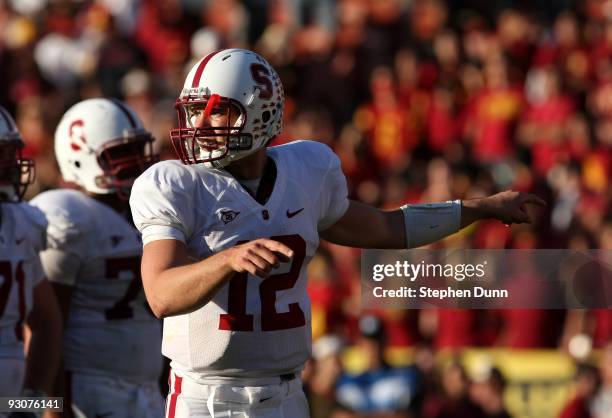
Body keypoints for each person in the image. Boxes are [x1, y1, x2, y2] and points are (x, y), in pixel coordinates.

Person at [129, 48, 546, 418]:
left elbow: (389, 226)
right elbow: (161, 295)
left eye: (217, 110)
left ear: (260, 110)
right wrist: (226, 260)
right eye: (194, 111)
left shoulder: (306, 171)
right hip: (205, 398)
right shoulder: (176, 184)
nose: (200, 124)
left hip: (286, 395)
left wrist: (480, 208)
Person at [30, 98, 163, 418]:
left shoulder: (144, 213)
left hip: (145, 391)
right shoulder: (67, 215)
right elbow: (43, 325)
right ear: (79, 159)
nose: (135, 163)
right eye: (119, 155)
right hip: (87, 392)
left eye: (137, 151)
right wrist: (50, 408)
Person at [0, 106, 62, 415]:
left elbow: (47, 321)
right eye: (2, 157)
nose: (11, 167)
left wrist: (34, 403)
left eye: (10, 154)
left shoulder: (20, 222)